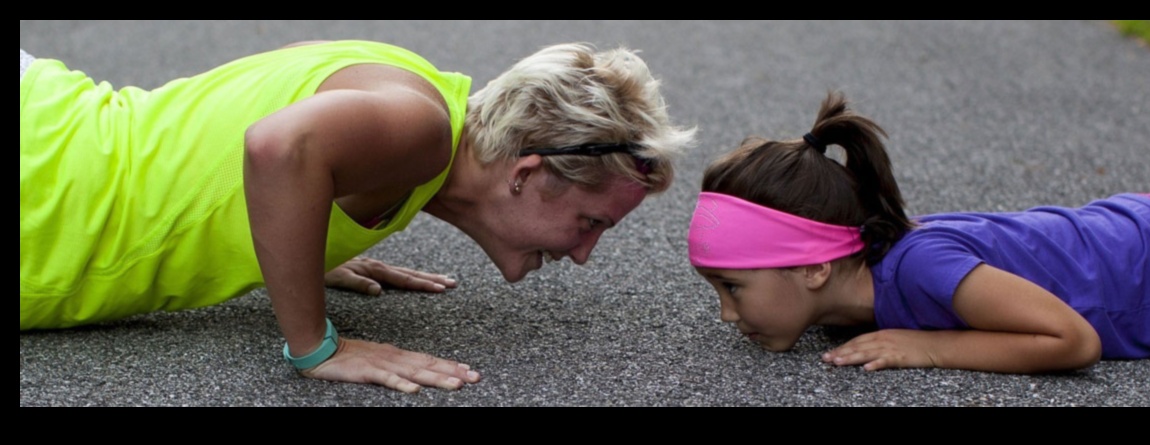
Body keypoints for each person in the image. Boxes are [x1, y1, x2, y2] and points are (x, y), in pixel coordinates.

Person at [20, 41, 696, 393]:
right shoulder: (422, 130)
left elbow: (241, 121)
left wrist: (297, 235)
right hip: (42, 187)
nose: (584, 253)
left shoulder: (417, 95)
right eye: (590, 222)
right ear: (527, 174)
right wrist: (317, 344)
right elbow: (277, 146)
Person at [687, 91, 1150, 374]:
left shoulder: (920, 267)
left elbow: (1073, 340)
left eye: (733, 287)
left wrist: (931, 348)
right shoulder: (852, 294)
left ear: (814, 266)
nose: (727, 313)